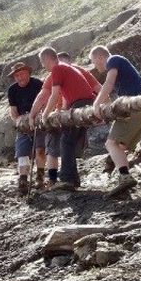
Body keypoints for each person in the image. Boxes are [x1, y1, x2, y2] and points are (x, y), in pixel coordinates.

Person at [29, 51, 101, 187]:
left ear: (47, 60)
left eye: (43, 63)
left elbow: (54, 95)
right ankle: (73, 180)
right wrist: (60, 110)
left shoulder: (57, 69)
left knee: (66, 141)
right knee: (70, 142)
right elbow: (66, 95)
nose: (43, 66)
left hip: (80, 104)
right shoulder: (67, 68)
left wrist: (44, 115)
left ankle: (67, 180)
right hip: (83, 102)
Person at [90, 46, 141, 195]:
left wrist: (96, 104)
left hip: (134, 108)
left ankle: (124, 177)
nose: (95, 66)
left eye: (94, 62)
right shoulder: (121, 67)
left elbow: (108, 84)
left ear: (100, 57)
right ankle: (119, 173)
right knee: (121, 146)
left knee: (111, 143)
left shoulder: (113, 59)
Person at [7, 62, 46, 195]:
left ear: (28, 73)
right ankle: (23, 181)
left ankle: (40, 178)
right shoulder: (12, 90)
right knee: (22, 153)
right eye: (16, 75)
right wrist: (18, 120)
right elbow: (12, 110)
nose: (19, 77)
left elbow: (44, 101)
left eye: (22, 74)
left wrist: (37, 116)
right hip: (23, 122)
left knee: (40, 150)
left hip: (39, 120)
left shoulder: (38, 84)